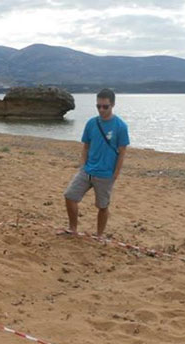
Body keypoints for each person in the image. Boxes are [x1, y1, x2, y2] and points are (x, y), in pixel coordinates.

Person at [63, 88, 130, 239]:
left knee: (102, 206)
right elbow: (86, 147)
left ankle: (99, 235)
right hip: (87, 171)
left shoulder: (121, 126)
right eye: (98, 106)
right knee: (70, 196)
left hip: (106, 174)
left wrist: (115, 175)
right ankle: (73, 229)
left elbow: (122, 153)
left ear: (112, 105)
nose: (101, 109)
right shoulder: (91, 123)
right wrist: (83, 166)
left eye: (105, 106)